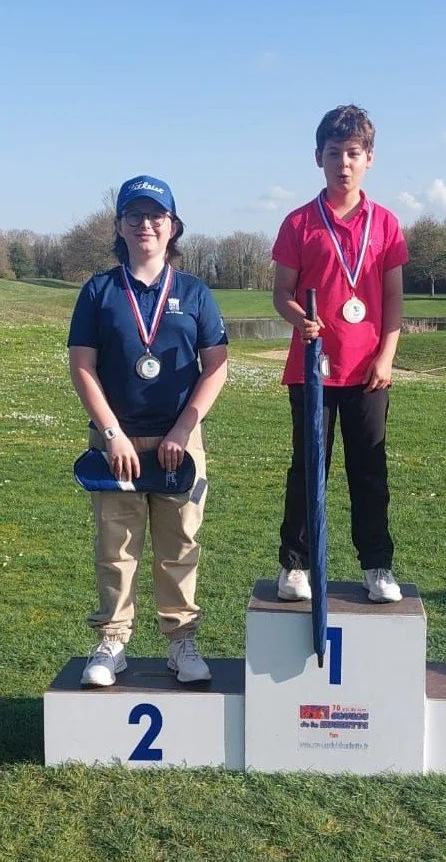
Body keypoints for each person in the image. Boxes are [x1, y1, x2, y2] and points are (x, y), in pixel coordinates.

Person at [68, 175, 228, 686]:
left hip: (180, 441)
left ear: (173, 225)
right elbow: (82, 366)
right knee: (116, 546)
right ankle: (113, 640)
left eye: (156, 215)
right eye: (134, 216)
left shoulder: (195, 292)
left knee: (179, 544)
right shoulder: (99, 291)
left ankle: (181, 641)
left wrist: (185, 427)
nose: (146, 224)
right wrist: (111, 432)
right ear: (119, 225)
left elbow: (217, 365)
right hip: (117, 441)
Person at [272, 105, 408, 603]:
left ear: (369, 158)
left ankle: (377, 565)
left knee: (370, 470)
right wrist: (297, 318)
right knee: (309, 467)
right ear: (318, 158)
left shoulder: (387, 224)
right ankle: (295, 563)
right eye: (334, 154)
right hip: (311, 370)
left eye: (353, 154)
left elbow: (393, 298)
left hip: (369, 370)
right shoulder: (299, 223)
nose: (343, 163)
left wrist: (386, 355)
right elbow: (282, 293)